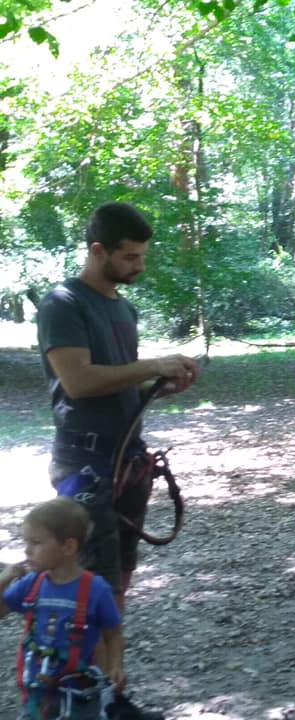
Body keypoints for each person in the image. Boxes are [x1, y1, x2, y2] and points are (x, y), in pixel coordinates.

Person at [36, 201, 201, 720]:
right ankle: (77, 704)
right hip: (84, 466)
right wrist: (150, 364)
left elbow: (117, 382)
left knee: (118, 584)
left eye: (142, 256)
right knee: (88, 588)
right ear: (98, 250)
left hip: (128, 460)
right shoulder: (64, 303)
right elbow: (80, 381)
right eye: (130, 257)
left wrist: (160, 384)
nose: (139, 266)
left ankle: (110, 698)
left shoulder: (122, 309)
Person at [1, 498, 123, 720]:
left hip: (81, 693)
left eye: (36, 543)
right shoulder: (30, 584)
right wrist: (3, 580)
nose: (27, 550)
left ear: (68, 547)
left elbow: (113, 633)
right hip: (36, 692)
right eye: (25, 542)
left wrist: (116, 666)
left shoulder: (96, 589)